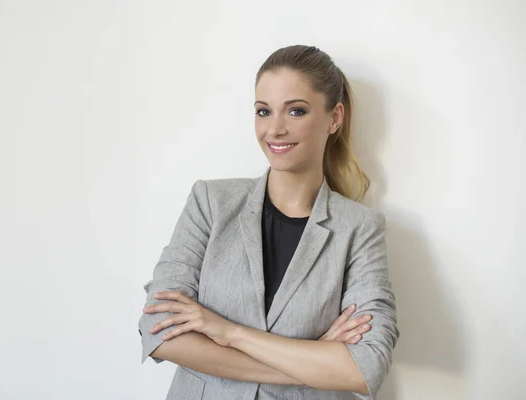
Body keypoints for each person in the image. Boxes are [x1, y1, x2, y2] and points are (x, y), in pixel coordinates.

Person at [138, 44, 399, 400]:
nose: (274, 129)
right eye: (264, 111)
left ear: (334, 117)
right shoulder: (210, 203)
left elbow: (365, 366)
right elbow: (158, 329)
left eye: (295, 111)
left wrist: (229, 332)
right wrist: (312, 364)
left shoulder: (360, 229)